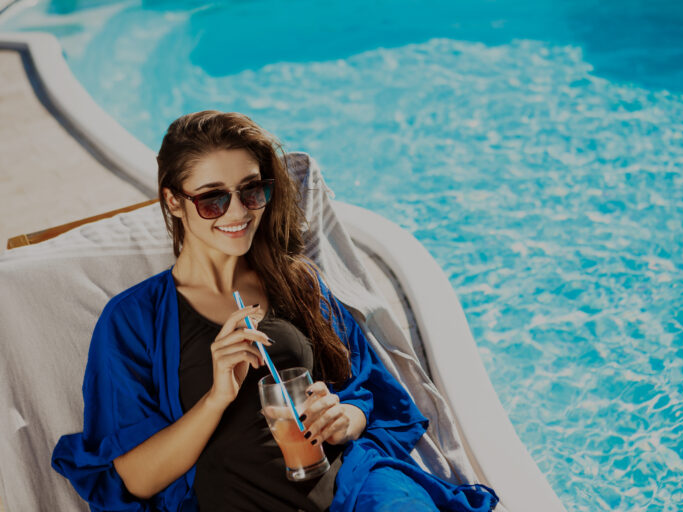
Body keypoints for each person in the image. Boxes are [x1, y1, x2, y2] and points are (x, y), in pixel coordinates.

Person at [51, 110, 499, 512]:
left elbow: (372, 391)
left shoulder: (296, 282)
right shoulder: (133, 320)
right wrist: (215, 399)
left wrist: (345, 418)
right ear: (173, 201)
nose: (239, 212)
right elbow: (134, 479)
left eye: (251, 190)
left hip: (355, 488)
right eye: (213, 199)